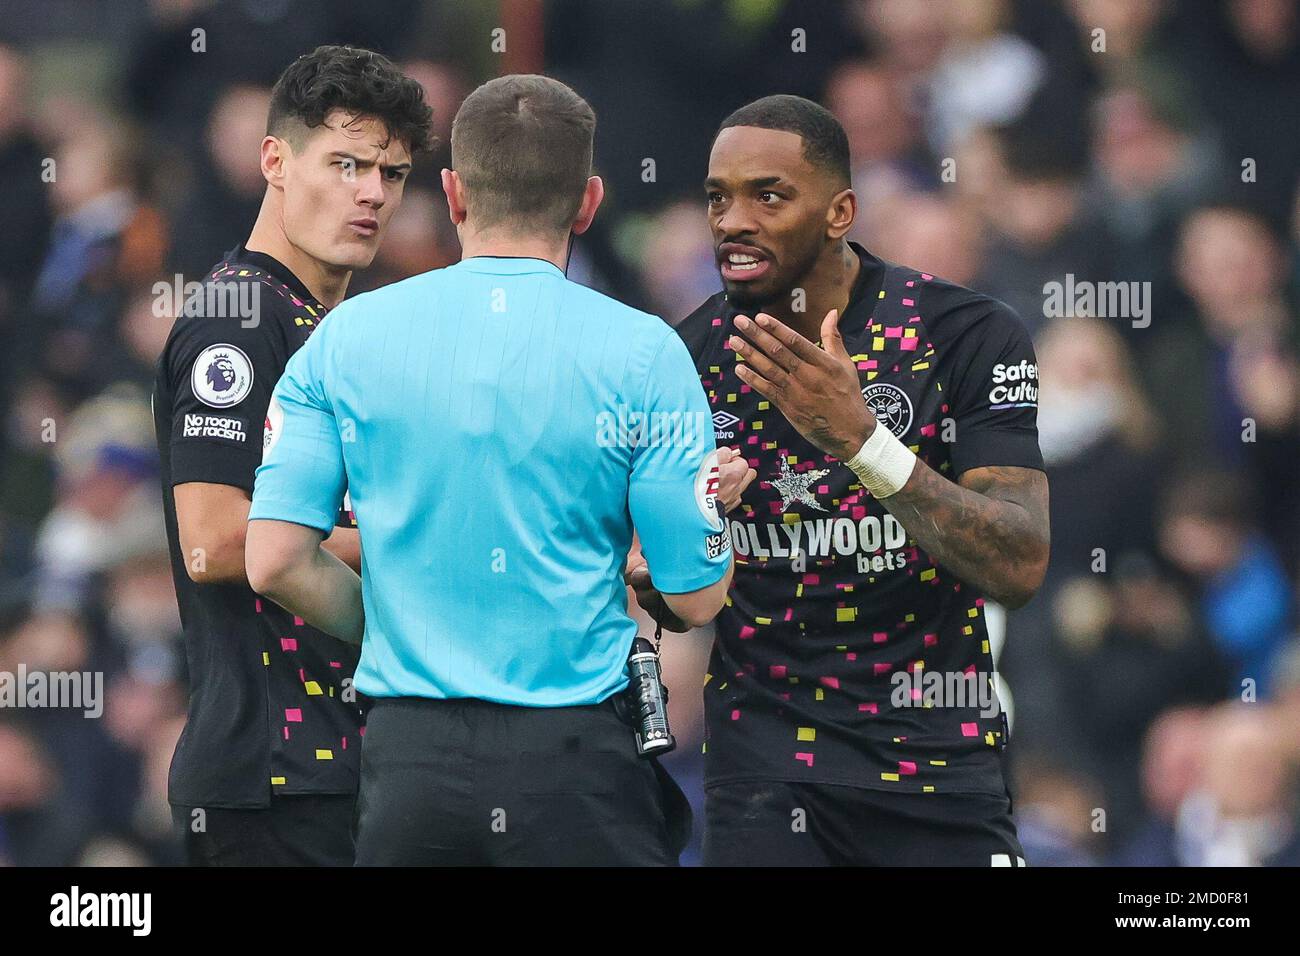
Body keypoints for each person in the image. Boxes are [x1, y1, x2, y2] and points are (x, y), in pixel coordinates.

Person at [244, 74, 752, 866]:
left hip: (410, 762)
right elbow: (694, 593)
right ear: (587, 202)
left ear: (452, 193)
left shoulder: (346, 339)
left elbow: (273, 558)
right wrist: (718, 503)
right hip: (579, 767)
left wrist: (395, 630)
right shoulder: (646, 351)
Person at [659, 95, 1051, 865]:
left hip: (937, 765)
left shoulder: (965, 337)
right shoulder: (685, 360)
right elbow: (670, 603)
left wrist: (864, 443)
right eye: (717, 198)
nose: (732, 220)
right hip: (766, 775)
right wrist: (680, 532)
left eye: (767, 195)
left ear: (841, 212)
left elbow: (1019, 562)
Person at [152, 45, 433, 866]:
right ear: (274, 160)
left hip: (345, 768)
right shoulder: (239, 318)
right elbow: (216, 542)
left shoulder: (327, 325)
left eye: (394, 173)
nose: (373, 193)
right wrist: (426, 543)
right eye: (346, 163)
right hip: (271, 780)